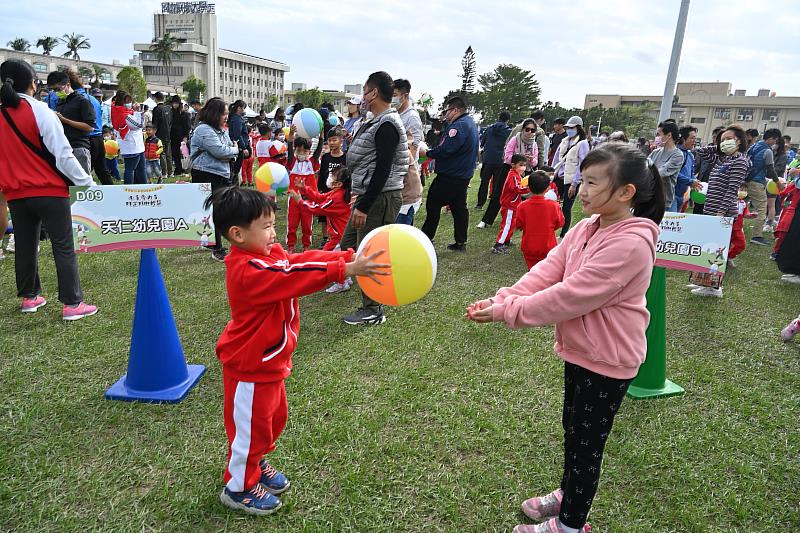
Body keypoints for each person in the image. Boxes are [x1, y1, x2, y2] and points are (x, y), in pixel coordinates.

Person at [466, 143, 664, 533]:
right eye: (582, 180)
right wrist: (503, 297)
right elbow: (548, 270)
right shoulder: (587, 227)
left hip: (608, 360)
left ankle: (571, 524)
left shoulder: (629, 244)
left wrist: (508, 312)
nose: (582, 189)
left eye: (592, 182)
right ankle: (568, 492)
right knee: (573, 431)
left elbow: (570, 296)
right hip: (583, 352)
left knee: (586, 444)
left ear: (626, 192)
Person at [205, 186, 387, 516]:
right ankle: (239, 486)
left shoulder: (267, 254)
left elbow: (299, 260)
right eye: (267, 226)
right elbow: (292, 275)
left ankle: (256, 464)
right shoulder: (248, 271)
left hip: (272, 361)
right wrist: (342, 270)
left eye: (274, 224)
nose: (274, 232)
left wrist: (343, 257)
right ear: (237, 234)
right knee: (250, 430)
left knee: (273, 420)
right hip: (250, 367)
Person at [0, 59, 98, 320]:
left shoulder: (2, 113)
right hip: (50, 191)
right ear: (33, 83)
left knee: (25, 244)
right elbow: (63, 154)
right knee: (63, 246)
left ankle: (29, 298)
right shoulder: (40, 110)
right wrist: (86, 182)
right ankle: (72, 304)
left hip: (16, 193)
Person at [340, 71, 409, 326]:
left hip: (380, 197)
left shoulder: (387, 124)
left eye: (366, 91)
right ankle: (344, 280)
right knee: (349, 242)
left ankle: (373, 308)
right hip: (369, 194)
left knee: (369, 252)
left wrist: (365, 206)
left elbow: (383, 169)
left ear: (374, 93)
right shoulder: (377, 120)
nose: (362, 97)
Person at [689, 125, 751, 297]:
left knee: (716, 251)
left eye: (728, 139)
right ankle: (704, 282)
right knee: (707, 248)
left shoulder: (740, 161)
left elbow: (732, 190)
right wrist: (719, 146)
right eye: (722, 140)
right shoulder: (723, 159)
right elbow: (701, 151)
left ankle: (714, 287)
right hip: (711, 210)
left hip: (721, 213)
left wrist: (721, 213)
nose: (724, 143)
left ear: (739, 140)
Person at [420, 96, 479, 252]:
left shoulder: (458, 126)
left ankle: (426, 237)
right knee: (459, 207)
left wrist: (428, 153)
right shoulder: (469, 123)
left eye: (447, 111)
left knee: (433, 202)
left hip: (451, 175)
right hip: (462, 174)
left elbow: (447, 149)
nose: (445, 114)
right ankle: (461, 242)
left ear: (455, 110)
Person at [190, 97, 240, 261]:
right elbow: (222, 151)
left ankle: (208, 242)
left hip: (219, 174)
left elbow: (228, 151)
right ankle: (216, 248)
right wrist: (234, 150)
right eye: (224, 114)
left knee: (216, 210)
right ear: (214, 113)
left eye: (227, 114)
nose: (226, 117)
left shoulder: (220, 130)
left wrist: (231, 152)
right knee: (213, 211)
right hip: (206, 174)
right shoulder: (203, 129)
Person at [289, 165, 352, 254]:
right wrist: (304, 188)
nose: (330, 177)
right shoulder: (337, 192)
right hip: (339, 237)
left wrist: (300, 202)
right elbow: (319, 198)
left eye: (333, 176)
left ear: (339, 184)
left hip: (340, 239)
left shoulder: (337, 198)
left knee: (323, 258)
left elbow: (318, 209)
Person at [47, 70, 95, 174]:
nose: (55, 92)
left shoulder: (82, 101)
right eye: (53, 90)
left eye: (58, 89)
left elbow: (89, 127)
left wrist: (65, 120)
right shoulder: (61, 102)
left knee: (83, 186)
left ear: (68, 85)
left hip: (79, 148)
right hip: (64, 147)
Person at [515, 171, 565, 269]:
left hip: (529, 247)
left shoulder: (522, 206)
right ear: (547, 188)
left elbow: (519, 224)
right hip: (548, 246)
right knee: (547, 274)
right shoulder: (554, 205)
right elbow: (560, 223)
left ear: (528, 187)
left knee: (532, 273)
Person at [285, 128, 323, 251]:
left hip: (308, 201)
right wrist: (290, 136)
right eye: (298, 150)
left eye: (305, 151)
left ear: (309, 152)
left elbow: (318, 151)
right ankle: (291, 246)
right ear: (295, 150)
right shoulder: (292, 162)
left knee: (307, 225)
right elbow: (290, 150)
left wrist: (321, 137)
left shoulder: (312, 162)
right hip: (294, 199)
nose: (301, 152)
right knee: (292, 224)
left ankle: (306, 246)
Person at [392, 79, 424, 225]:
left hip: (406, 179)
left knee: (402, 224)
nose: (392, 98)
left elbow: (413, 149)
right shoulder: (395, 113)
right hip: (395, 178)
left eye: (395, 94)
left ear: (404, 96)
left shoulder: (411, 118)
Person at [553, 116, 591, 238]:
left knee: (566, 208)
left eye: (572, 127)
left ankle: (563, 235)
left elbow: (582, 164)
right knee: (553, 204)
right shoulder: (565, 141)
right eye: (568, 128)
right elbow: (556, 159)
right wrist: (551, 174)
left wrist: (575, 184)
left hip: (571, 180)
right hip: (559, 177)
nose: (569, 130)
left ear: (578, 128)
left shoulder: (583, 143)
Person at [746, 128, 782, 246]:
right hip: (756, 181)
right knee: (762, 208)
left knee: (739, 205)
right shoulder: (768, 151)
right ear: (772, 138)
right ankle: (757, 236)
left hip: (746, 180)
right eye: (775, 140)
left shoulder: (754, 146)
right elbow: (770, 169)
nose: (775, 143)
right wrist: (778, 183)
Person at [492, 154, 529, 254]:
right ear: (513, 165)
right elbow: (516, 188)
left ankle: (506, 240)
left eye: (524, 165)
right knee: (507, 225)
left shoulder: (516, 175)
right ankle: (499, 244)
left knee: (512, 224)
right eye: (521, 165)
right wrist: (528, 188)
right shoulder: (513, 176)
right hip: (509, 205)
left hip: (513, 204)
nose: (523, 167)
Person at [477, 111, 512, 213]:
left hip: (488, 158)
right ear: (508, 120)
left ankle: (480, 203)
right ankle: (494, 202)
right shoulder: (508, 131)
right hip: (501, 159)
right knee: (497, 183)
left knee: (484, 182)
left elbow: (482, 142)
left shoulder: (489, 129)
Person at [111, 90, 147, 185]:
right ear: (121, 102)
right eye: (126, 101)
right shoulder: (123, 114)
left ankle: (144, 187)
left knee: (141, 168)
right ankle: (128, 189)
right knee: (130, 169)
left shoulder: (119, 110)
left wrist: (135, 111)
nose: (129, 103)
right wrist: (139, 112)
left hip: (136, 144)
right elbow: (139, 125)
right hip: (131, 145)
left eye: (129, 101)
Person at [648, 120, 685, 211]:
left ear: (669, 135)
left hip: (664, 201)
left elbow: (661, 173)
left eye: (659, 134)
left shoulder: (677, 155)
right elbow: (643, 167)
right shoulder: (655, 152)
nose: (657, 137)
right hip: (649, 197)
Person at [87, 87, 113, 185]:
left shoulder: (105, 107)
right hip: (95, 135)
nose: (98, 99)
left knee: (101, 168)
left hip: (100, 134)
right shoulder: (90, 104)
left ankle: (111, 191)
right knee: (95, 167)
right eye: (96, 97)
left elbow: (109, 119)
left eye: (99, 97)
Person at [765, 131, 788, 233]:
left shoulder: (783, 155)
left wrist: (769, 169)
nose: (774, 144)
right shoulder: (770, 152)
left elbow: (779, 169)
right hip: (765, 179)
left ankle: (769, 224)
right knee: (764, 204)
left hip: (775, 181)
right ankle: (765, 221)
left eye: (776, 142)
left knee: (771, 204)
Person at [673, 126, 697, 212]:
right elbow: (673, 173)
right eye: (692, 138)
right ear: (683, 139)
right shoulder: (675, 153)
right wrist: (690, 181)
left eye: (695, 138)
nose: (694, 141)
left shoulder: (690, 155)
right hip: (672, 194)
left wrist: (695, 181)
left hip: (682, 195)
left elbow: (691, 173)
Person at [228, 100, 251, 184]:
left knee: (236, 171)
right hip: (239, 147)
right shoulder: (236, 119)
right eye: (243, 108)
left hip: (238, 146)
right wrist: (243, 147)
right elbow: (237, 135)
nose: (244, 110)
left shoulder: (236, 118)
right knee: (235, 171)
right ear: (239, 108)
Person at [152, 92, 173, 179]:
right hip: (168, 133)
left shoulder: (156, 109)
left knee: (161, 153)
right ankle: (170, 172)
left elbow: (155, 123)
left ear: (156, 99)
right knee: (168, 154)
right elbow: (171, 121)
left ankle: (164, 173)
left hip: (159, 134)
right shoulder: (168, 108)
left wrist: (153, 133)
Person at [171, 95, 191, 177]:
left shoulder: (185, 114)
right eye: (173, 103)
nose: (175, 105)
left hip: (182, 137)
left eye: (176, 103)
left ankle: (185, 168)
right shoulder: (172, 113)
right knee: (176, 154)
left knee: (184, 153)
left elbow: (188, 126)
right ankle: (178, 169)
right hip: (173, 136)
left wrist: (186, 136)